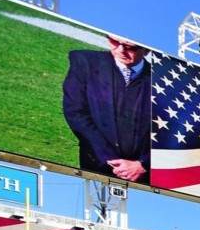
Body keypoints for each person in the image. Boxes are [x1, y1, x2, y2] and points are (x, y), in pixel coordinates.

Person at [62, 35, 153, 183]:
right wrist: (108, 158)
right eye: (115, 42)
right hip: (95, 164)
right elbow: (75, 111)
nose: (120, 50)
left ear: (147, 50)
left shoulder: (163, 81)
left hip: (142, 176)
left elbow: (173, 133)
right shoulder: (85, 62)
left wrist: (143, 164)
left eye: (130, 47)